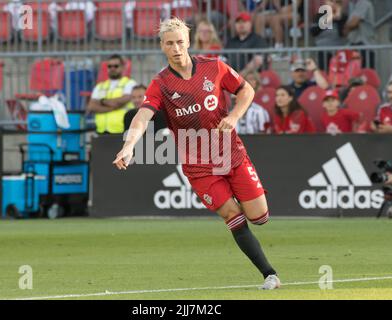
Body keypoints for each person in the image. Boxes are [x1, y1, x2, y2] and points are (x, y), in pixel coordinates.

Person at [113, 18, 280, 290]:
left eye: (180, 42)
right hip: (198, 165)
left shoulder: (214, 66)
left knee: (260, 217)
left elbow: (246, 89)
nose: (176, 48)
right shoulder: (161, 84)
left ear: (188, 42)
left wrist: (235, 116)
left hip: (231, 154)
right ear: (162, 47)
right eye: (170, 43)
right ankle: (270, 274)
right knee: (231, 215)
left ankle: (247, 204)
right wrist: (129, 145)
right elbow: (143, 116)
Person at [87, 55, 137, 134]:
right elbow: (91, 107)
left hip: (122, 131)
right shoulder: (100, 86)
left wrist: (101, 101)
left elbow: (120, 102)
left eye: (116, 66)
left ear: (123, 67)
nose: (112, 68)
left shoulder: (130, 83)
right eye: (109, 66)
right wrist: (113, 106)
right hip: (101, 131)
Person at [310, 0, 348, 70]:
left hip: (339, 52)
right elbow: (313, 32)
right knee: (323, 72)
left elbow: (342, 34)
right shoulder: (319, 16)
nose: (333, 4)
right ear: (325, 2)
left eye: (337, 2)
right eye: (331, 1)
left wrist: (339, 17)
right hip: (323, 51)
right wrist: (330, 18)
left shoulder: (344, 17)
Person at [344, 0, 375, 68]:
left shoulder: (364, 3)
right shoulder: (351, 5)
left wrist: (346, 27)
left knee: (365, 76)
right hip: (354, 45)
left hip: (364, 46)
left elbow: (354, 23)